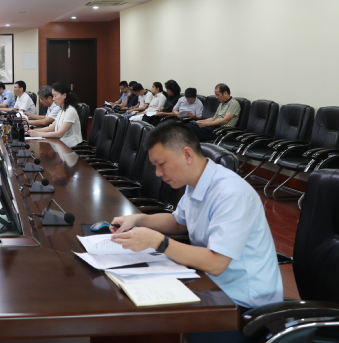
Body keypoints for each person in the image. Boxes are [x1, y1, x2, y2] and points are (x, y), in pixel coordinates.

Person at [110, 121, 281, 342]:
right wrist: (138, 219)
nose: (158, 173)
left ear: (187, 154)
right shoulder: (196, 183)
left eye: (161, 164)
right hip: (210, 285)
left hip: (244, 308)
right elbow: (178, 222)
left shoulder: (231, 193)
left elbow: (216, 263)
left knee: (154, 326)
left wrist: (159, 242)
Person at [27, 82, 82, 147]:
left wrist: (37, 134)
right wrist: (32, 131)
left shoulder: (70, 110)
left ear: (64, 95)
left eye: (55, 96)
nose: (53, 99)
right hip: (61, 143)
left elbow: (59, 134)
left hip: (71, 147)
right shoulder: (61, 110)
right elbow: (51, 128)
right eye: (53, 96)